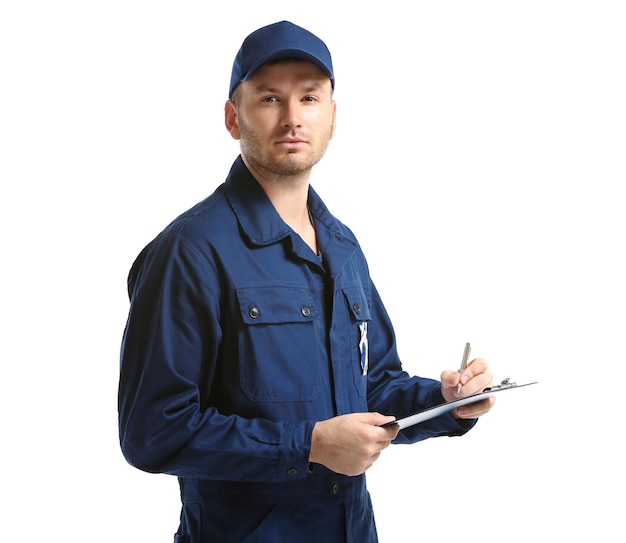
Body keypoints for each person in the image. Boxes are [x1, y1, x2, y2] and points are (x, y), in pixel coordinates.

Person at [118, 20, 495, 543]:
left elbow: (374, 386)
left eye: (310, 98)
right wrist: (309, 446)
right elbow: (152, 432)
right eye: (270, 98)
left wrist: (449, 403)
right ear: (233, 117)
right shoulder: (190, 251)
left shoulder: (341, 246)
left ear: (333, 117)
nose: (293, 118)